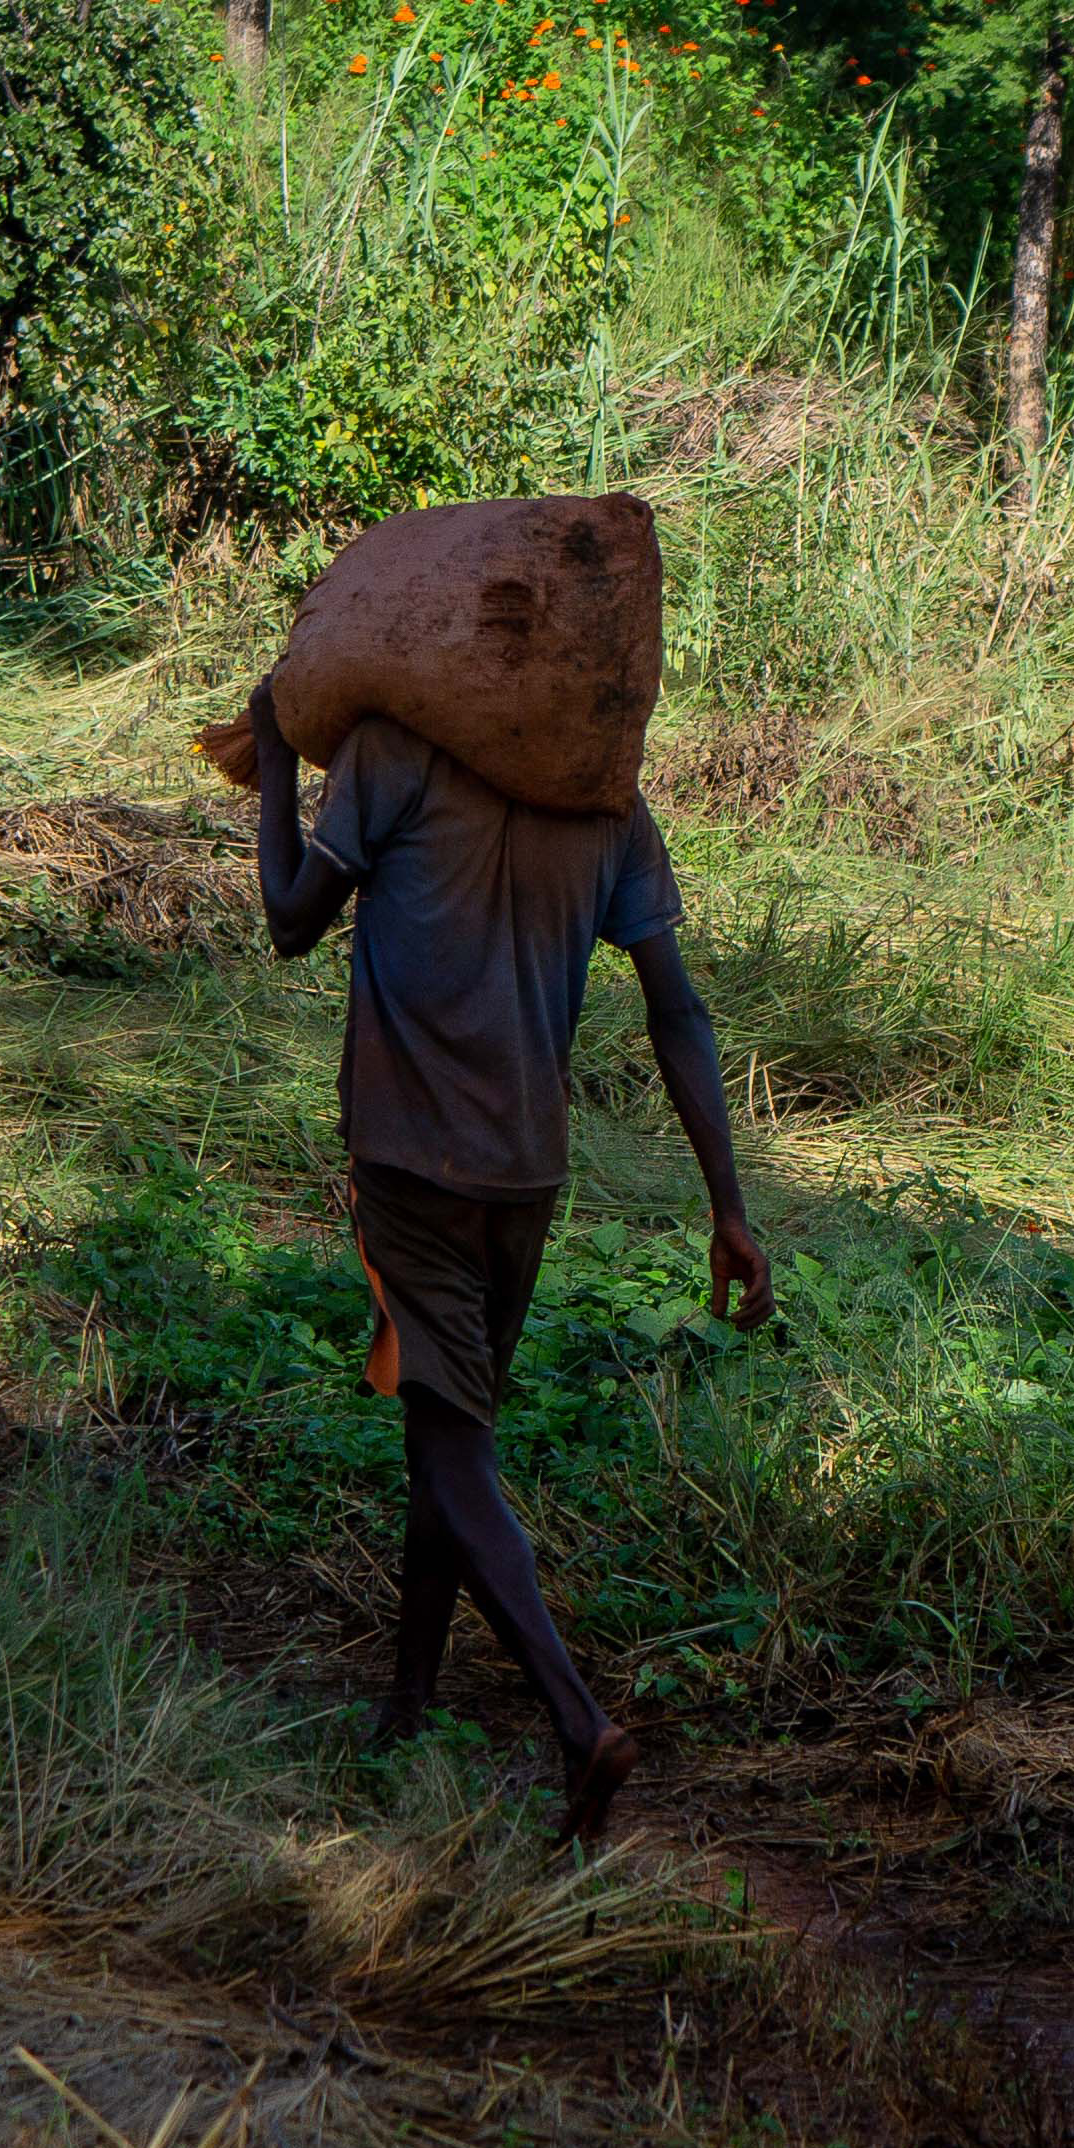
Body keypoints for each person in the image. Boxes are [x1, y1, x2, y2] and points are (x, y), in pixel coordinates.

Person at [242, 677, 771, 1842]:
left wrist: (277, 755)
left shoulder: (389, 753)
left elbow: (288, 918)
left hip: (411, 1160)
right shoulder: (602, 803)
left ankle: (577, 1723)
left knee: (451, 1442)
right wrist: (727, 1207)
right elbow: (676, 1010)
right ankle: (409, 1699)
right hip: (525, 1174)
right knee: (452, 1426)